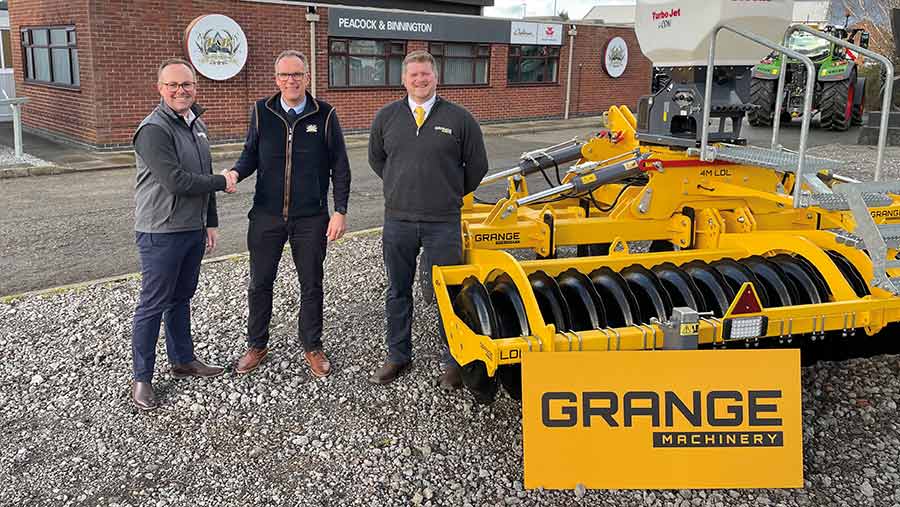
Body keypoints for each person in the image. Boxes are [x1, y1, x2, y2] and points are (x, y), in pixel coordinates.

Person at [224, 50, 350, 378]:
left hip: (310, 218)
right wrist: (236, 173)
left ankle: (312, 345)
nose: (291, 81)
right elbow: (250, 154)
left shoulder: (325, 114)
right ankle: (257, 344)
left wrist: (340, 211)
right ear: (276, 78)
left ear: (307, 78)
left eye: (297, 75)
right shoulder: (261, 111)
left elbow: (340, 166)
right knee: (260, 283)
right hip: (266, 215)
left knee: (311, 284)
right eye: (285, 75)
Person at [367, 50, 489, 389]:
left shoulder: (460, 119)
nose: (420, 80)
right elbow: (378, 161)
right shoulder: (386, 118)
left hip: (443, 222)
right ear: (403, 80)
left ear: (436, 78)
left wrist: (447, 192)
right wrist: (400, 185)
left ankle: (453, 360)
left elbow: (477, 167)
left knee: (450, 294)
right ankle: (398, 356)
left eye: (426, 75)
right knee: (398, 290)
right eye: (413, 75)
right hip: (398, 221)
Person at [131, 58, 237, 411]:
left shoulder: (195, 123)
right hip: (161, 231)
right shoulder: (153, 130)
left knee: (181, 298)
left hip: (191, 229)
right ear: (160, 89)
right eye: (173, 85)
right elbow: (175, 181)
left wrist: (210, 220)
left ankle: (183, 361)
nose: (181, 91)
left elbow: (201, 174)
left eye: (187, 84)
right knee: (152, 305)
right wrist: (223, 182)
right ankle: (142, 379)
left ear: (195, 87)